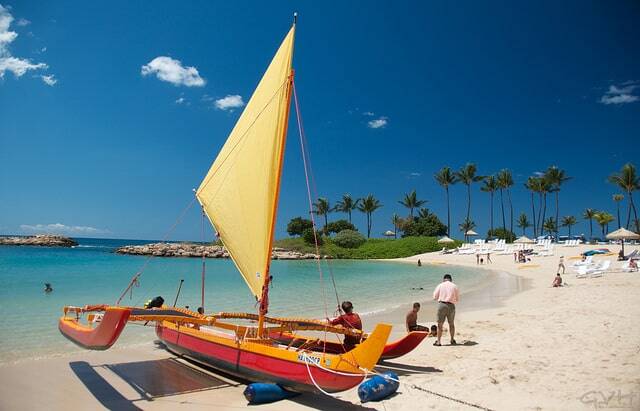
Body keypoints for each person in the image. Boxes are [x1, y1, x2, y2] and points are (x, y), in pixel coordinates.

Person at [433, 274, 459, 346]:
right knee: (451, 324)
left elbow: (435, 297)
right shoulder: (454, 286)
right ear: (451, 279)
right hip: (451, 305)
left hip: (442, 305)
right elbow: (457, 299)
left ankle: (438, 341)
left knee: (440, 325)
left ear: (444, 279)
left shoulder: (440, 285)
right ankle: (452, 339)